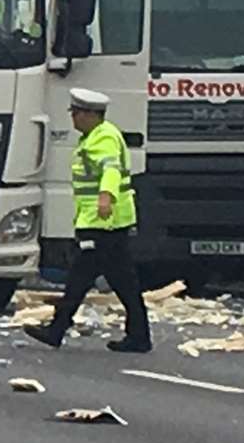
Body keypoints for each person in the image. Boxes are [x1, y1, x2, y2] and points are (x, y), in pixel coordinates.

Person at [24, 88, 152, 353]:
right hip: (108, 222)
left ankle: (57, 330)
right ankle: (139, 336)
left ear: (92, 115)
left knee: (80, 278)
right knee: (122, 281)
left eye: (78, 113)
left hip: (103, 222)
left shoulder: (102, 138)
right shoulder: (97, 135)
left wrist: (105, 196)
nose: (74, 118)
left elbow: (111, 170)